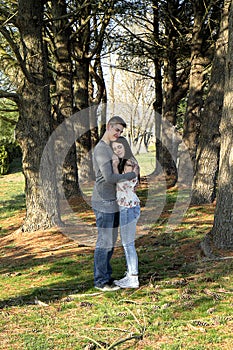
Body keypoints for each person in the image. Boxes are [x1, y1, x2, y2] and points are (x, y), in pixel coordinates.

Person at [91, 116, 137, 291]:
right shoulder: (102, 149)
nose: (119, 134)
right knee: (105, 242)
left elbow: (126, 153)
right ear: (109, 127)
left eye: (121, 131)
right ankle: (101, 281)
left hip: (115, 200)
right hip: (104, 201)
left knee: (111, 240)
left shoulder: (113, 145)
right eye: (116, 130)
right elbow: (109, 178)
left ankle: (106, 276)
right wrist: (130, 176)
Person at [111, 136, 140, 288]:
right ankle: (130, 274)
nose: (117, 151)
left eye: (119, 148)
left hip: (128, 208)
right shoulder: (128, 162)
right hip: (128, 206)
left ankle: (133, 277)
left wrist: (115, 166)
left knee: (128, 244)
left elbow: (122, 184)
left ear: (125, 147)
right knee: (126, 243)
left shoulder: (129, 164)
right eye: (114, 149)